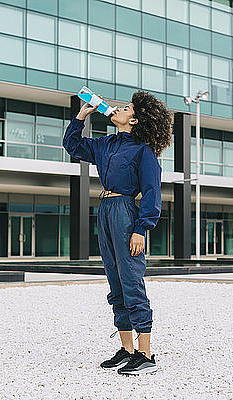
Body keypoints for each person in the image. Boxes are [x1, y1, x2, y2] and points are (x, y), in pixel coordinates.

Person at [63, 91, 172, 375]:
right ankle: (127, 350)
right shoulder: (106, 144)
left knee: (131, 279)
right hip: (105, 209)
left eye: (125, 108)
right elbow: (72, 146)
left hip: (126, 211)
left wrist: (141, 229)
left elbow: (151, 192)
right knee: (115, 280)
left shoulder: (143, 150)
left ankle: (146, 355)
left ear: (134, 120)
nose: (117, 109)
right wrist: (81, 116)